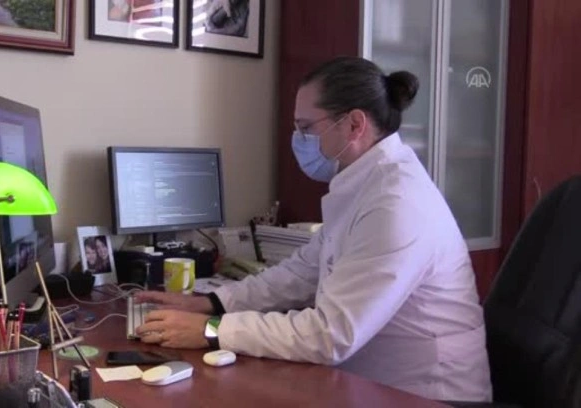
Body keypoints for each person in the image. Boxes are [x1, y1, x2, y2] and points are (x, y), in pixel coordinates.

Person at [135, 56, 492, 402]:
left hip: (430, 394)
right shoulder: (365, 185)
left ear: (354, 125)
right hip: (370, 382)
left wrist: (210, 330)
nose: (298, 139)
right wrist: (209, 303)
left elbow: (331, 334)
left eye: (306, 128)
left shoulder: (397, 204)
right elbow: (300, 273)